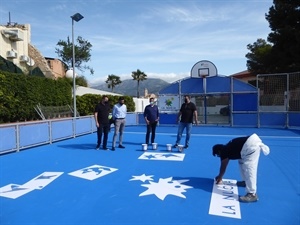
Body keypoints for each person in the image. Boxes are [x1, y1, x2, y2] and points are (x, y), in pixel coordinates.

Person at [212, 133, 270, 203]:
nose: (219, 157)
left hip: (250, 146)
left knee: (249, 169)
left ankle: (252, 194)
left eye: (218, 155)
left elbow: (223, 166)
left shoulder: (224, 151)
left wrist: (220, 176)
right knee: (241, 163)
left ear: (219, 151)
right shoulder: (228, 148)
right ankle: (245, 182)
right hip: (247, 147)